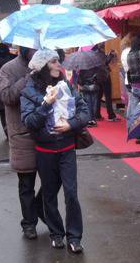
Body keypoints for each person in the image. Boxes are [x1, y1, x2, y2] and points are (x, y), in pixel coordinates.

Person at [21, 49, 89, 253]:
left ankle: (74, 237)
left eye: (59, 61)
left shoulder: (65, 85)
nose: (59, 65)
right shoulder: (28, 91)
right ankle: (56, 234)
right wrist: (46, 104)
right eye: (53, 61)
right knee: (49, 195)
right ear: (42, 66)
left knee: (71, 193)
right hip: (45, 150)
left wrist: (71, 124)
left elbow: (85, 111)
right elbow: (29, 122)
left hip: (67, 148)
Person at [0, 46, 44, 240]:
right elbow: (6, 97)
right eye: (32, 48)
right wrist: (28, 78)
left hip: (46, 132)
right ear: (24, 49)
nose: (36, 51)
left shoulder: (47, 65)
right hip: (22, 133)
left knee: (53, 180)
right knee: (26, 184)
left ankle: (39, 209)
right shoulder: (8, 69)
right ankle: (29, 223)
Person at [92, 43, 120, 122]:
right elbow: (105, 62)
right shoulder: (100, 53)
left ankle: (97, 114)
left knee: (98, 96)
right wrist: (111, 55)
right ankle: (111, 115)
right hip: (104, 76)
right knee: (108, 96)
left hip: (97, 77)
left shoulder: (93, 53)